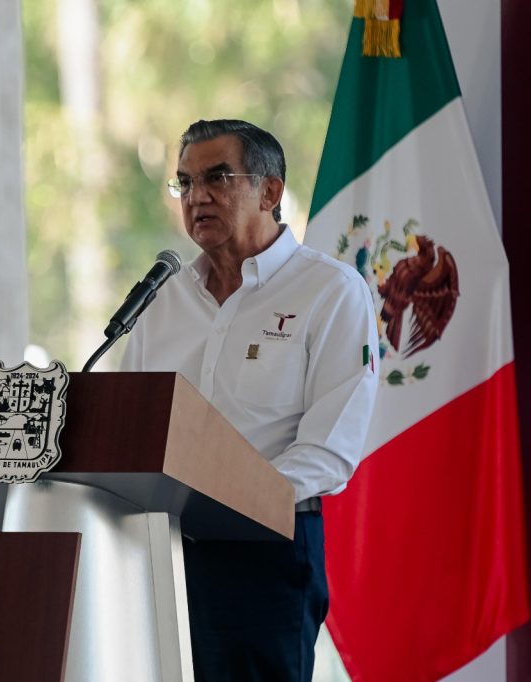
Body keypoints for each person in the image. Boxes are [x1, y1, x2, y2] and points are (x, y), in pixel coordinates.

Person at [120, 119, 378, 681]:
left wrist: (225, 498)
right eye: (185, 182)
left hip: (265, 550)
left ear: (270, 191)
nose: (197, 197)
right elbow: (128, 423)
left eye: (217, 178)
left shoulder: (329, 291)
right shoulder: (162, 300)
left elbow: (330, 450)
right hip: (159, 549)